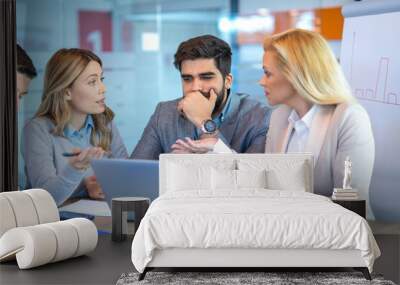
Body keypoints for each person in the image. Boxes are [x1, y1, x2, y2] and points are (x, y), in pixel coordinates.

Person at [260, 29, 375, 218]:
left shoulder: (349, 118)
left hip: (339, 236)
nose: (261, 81)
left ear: (295, 74)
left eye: (267, 73)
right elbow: (268, 186)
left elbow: (350, 202)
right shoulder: (280, 116)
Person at [130, 35, 271, 159]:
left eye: (206, 77)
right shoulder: (164, 113)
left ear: (228, 81)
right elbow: (138, 171)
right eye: (187, 79)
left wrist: (204, 121)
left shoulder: (259, 117)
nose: (195, 87)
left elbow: (248, 180)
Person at [22, 48, 128, 206]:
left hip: (99, 218)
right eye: (92, 82)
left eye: (101, 79)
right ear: (66, 92)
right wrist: (76, 170)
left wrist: (105, 185)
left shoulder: (105, 123)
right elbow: (45, 200)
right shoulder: (37, 130)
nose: (103, 88)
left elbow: (126, 174)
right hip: (54, 225)